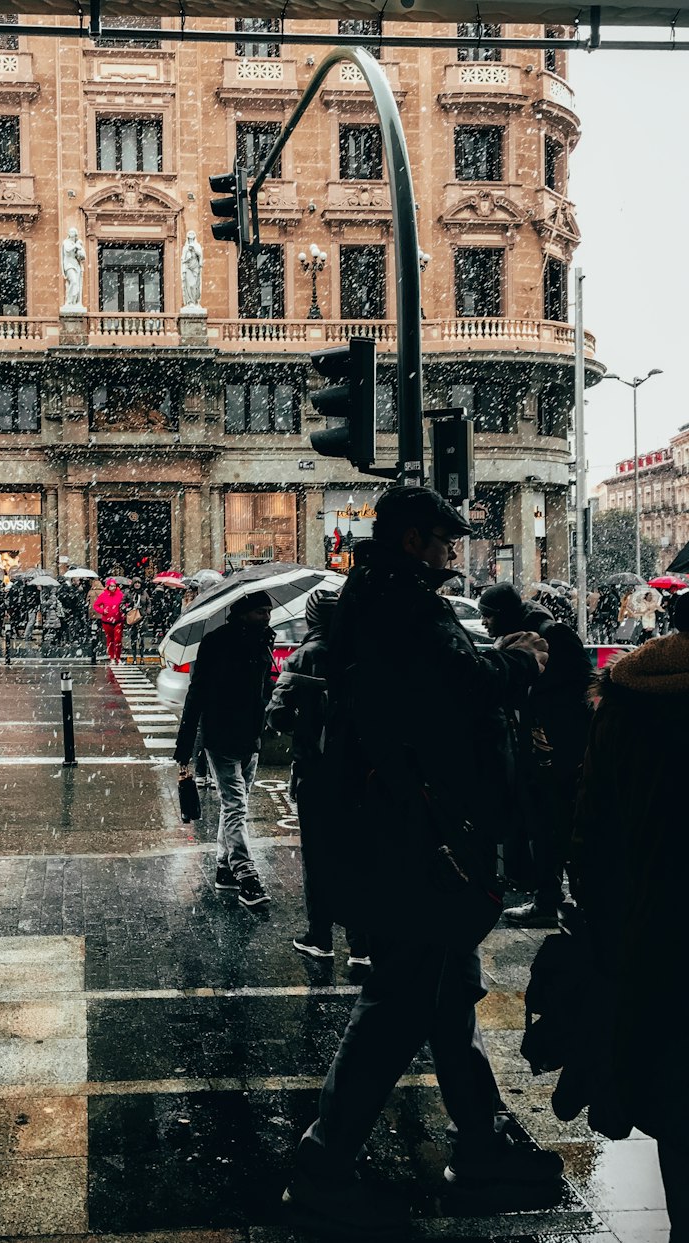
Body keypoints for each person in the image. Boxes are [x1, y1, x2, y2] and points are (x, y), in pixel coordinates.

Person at [283, 487, 561, 1231]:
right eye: (443, 539)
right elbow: (459, 691)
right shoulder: (402, 606)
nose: (450, 551)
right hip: (420, 843)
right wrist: (519, 661)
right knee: (403, 1002)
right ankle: (325, 1158)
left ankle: (481, 1136)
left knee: (444, 995)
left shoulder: (374, 598)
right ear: (414, 541)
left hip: (402, 837)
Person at [566, 591, 689, 1243]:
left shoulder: (628, 698)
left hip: (656, 933)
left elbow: (592, 836)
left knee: (677, 1092)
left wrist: (606, 936)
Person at [478, 582, 593, 927]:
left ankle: (579, 902)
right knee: (543, 826)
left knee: (563, 825)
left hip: (560, 750)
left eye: (487, 616)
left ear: (503, 615)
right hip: (535, 748)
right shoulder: (515, 640)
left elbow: (580, 686)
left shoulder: (551, 634)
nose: (483, 624)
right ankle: (548, 898)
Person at [267, 589, 369, 965]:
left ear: (310, 619)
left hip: (317, 768)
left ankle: (320, 936)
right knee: (358, 853)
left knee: (319, 853)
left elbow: (278, 714)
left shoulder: (304, 656)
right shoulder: (362, 651)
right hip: (360, 770)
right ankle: (361, 943)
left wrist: (305, 725)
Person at [173, 589, 276, 908]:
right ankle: (246, 875)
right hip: (221, 734)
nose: (267, 617)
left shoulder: (264, 641)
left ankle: (223, 867)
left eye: (268, 612)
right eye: (260, 612)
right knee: (236, 804)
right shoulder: (217, 642)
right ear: (243, 613)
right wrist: (185, 746)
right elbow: (197, 693)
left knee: (236, 804)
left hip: (251, 735)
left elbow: (262, 686)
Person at [94, 577, 126, 663]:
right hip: (107, 621)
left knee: (118, 639)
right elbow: (96, 605)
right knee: (110, 640)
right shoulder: (103, 595)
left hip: (118, 620)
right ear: (108, 586)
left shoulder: (120, 594)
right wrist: (102, 611)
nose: (113, 588)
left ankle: (118, 657)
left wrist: (124, 608)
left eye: (114, 586)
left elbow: (125, 603)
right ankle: (112, 657)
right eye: (111, 586)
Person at [124, 576, 149, 662]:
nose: (137, 585)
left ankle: (142, 657)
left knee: (141, 639)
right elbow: (122, 603)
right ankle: (134, 657)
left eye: (139, 583)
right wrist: (126, 610)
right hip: (132, 617)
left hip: (142, 616)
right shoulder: (129, 593)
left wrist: (147, 611)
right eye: (136, 583)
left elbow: (148, 603)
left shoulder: (144, 593)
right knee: (133, 638)